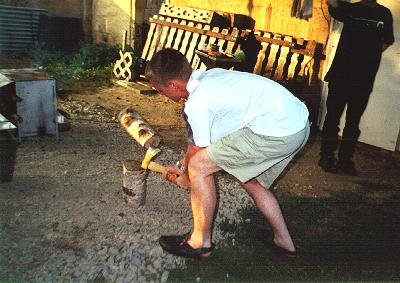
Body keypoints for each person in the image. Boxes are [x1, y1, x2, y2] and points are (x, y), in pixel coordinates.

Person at [145, 48, 310, 258]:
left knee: (199, 168)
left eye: (160, 90)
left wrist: (188, 176)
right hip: (297, 124)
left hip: (276, 133)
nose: (162, 95)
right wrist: (180, 167)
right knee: (249, 178)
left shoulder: (198, 103)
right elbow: (199, 142)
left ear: (173, 85)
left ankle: (200, 243)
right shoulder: (212, 77)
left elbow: (198, 155)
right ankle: (284, 242)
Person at [319, 0, 394, 175]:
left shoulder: (384, 14)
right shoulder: (350, 8)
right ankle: (326, 157)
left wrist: (369, 55)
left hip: (363, 80)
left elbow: (387, 40)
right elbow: (334, 5)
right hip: (340, 76)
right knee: (332, 119)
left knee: (353, 123)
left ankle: (346, 160)